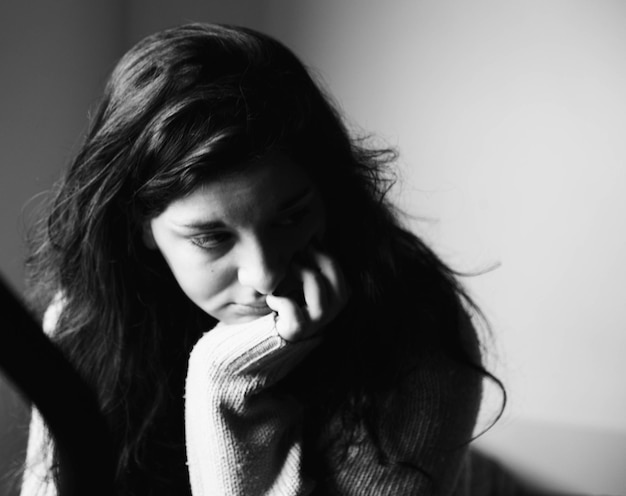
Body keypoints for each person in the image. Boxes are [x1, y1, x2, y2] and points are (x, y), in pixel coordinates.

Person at [20, 22, 525, 496]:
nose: (264, 273)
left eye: (290, 218)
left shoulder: (419, 333)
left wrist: (228, 380)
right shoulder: (84, 321)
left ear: (328, 194)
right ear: (141, 228)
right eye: (211, 238)